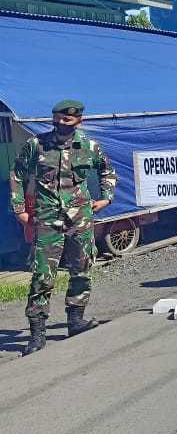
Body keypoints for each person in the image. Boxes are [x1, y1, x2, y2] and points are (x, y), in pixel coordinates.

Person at [10, 100, 117, 355]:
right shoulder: (36, 144)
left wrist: (106, 197)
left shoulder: (89, 147)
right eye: (56, 119)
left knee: (82, 269)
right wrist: (19, 208)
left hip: (80, 217)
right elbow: (18, 173)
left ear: (78, 121)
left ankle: (76, 321)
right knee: (42, 275)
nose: (60, 124)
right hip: (47, 218)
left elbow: (107, 171)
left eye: (67, 120)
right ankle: (37, 333)